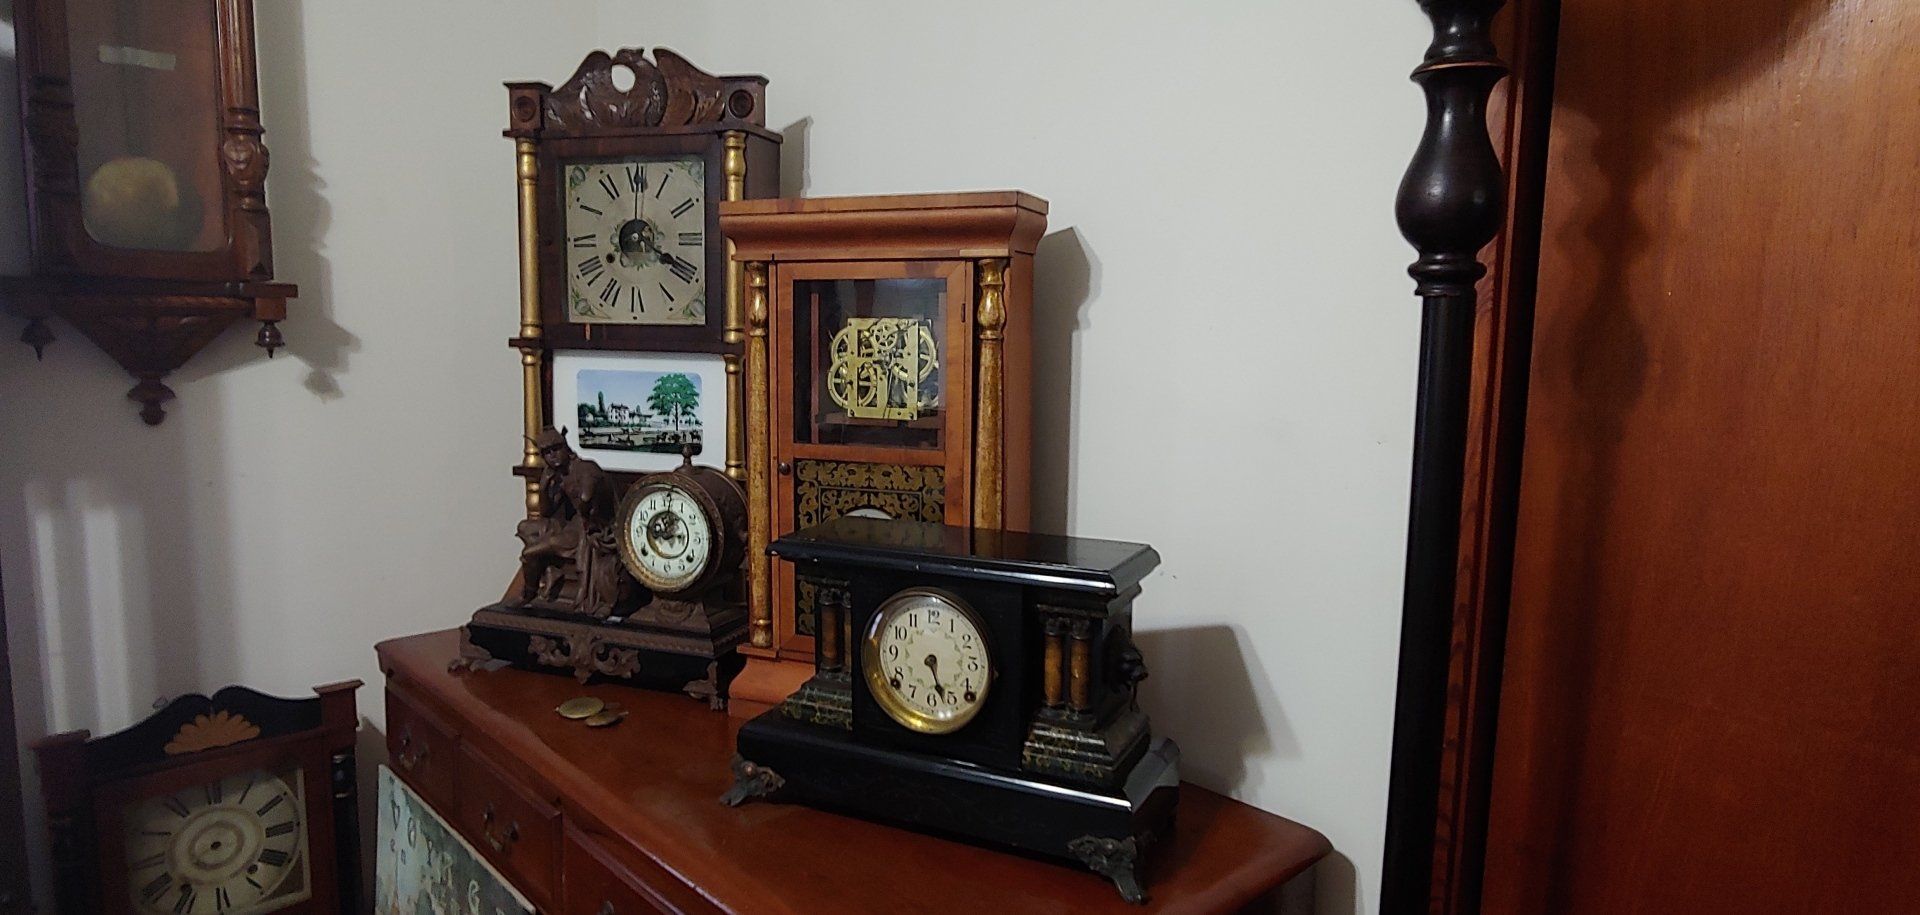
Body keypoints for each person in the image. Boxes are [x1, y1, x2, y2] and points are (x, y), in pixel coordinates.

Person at [516, 428, 627, 617]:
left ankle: (529, 592)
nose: (552, 456)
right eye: (546, 453)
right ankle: (552, 573)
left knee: (529, 552)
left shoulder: (585, 468)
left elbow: (586, 496)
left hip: (588, 528)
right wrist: (544, 486)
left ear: (565, 447)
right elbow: (546, 511)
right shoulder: (559, 474)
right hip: (571, 523)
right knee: (525, 527)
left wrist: (582, 502)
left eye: (555, 449)